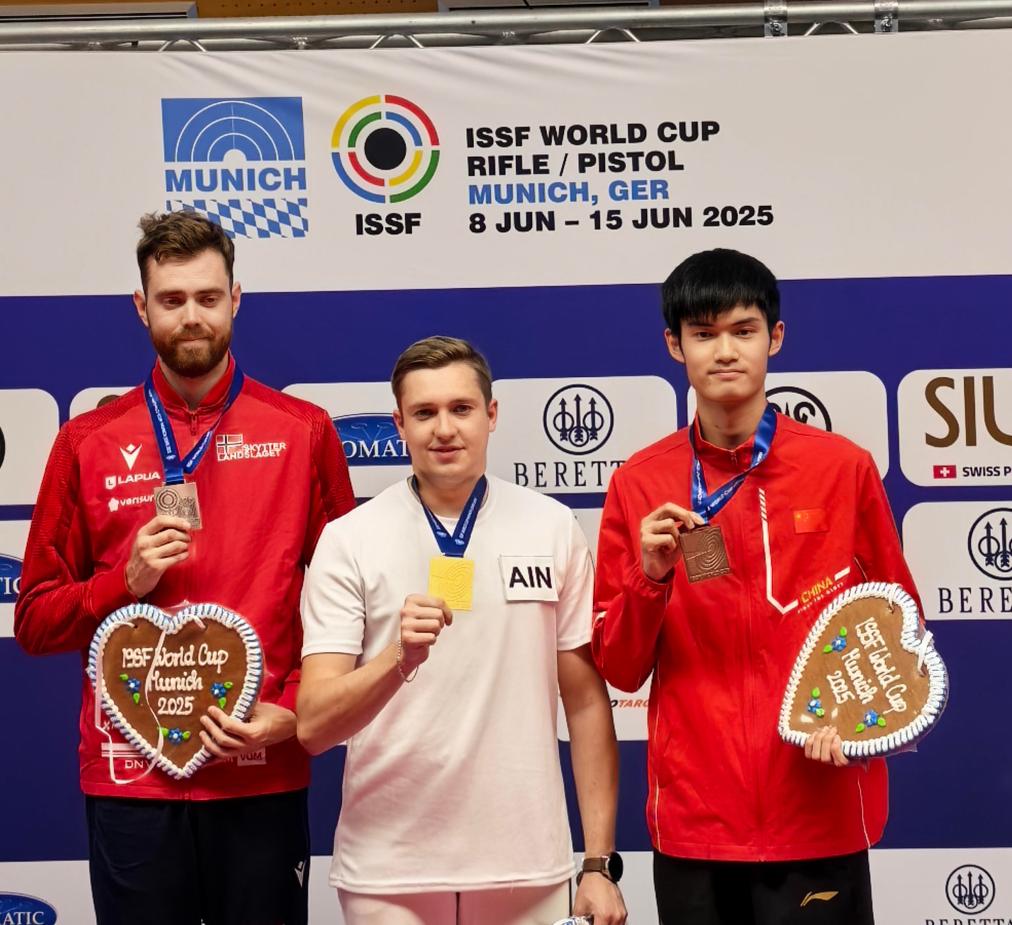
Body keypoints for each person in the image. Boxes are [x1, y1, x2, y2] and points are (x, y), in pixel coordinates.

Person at [15, 211, 355, 925]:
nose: (192, 316)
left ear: (236, 299)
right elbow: (36, 620)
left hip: (259, 769)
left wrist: (295, 707)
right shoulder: (86, 442)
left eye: (207, 297)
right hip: (131, 779)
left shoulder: (303, 431)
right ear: (142, 307)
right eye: (172, 300)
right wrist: (123, 582)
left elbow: (347, 607)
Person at [592, 249, 921, 925]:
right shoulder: (639, 483)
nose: (724, 351)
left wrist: (858, 716)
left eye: (743, 330)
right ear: (674, 345)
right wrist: (649, 577)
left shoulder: (842, 469)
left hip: (817, 808)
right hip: (696, 822)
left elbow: (901, 625)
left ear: (775, 337)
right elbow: (619, 668)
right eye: (704, 333)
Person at [297, 336, 627, 925]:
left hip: (526, 866)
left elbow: (583, 703)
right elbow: (315, 726)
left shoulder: (552, 526)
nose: (444, 429)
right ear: (399, 424)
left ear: (491, 414)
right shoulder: (349, 539)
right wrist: (398, 658)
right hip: (389, 869)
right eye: (424, 413)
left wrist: (598, 864)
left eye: (461, 409)